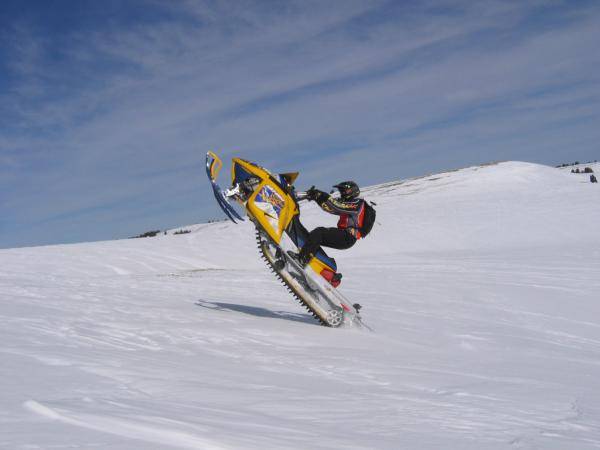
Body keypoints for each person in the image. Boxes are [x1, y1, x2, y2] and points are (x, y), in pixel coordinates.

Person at [293, 181, 366, 266]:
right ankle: (311, 261)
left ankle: (302, 260)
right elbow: (331, 209)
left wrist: (323, 195)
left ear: (353, 191)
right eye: (341, 191)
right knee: (312, 238)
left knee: (319, 233)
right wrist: (316, 198)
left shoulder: (357, 203)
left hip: (347, 237)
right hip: (344, 235)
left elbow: (338, 207)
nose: (342, 193)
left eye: (344, 191)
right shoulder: (350, 203)